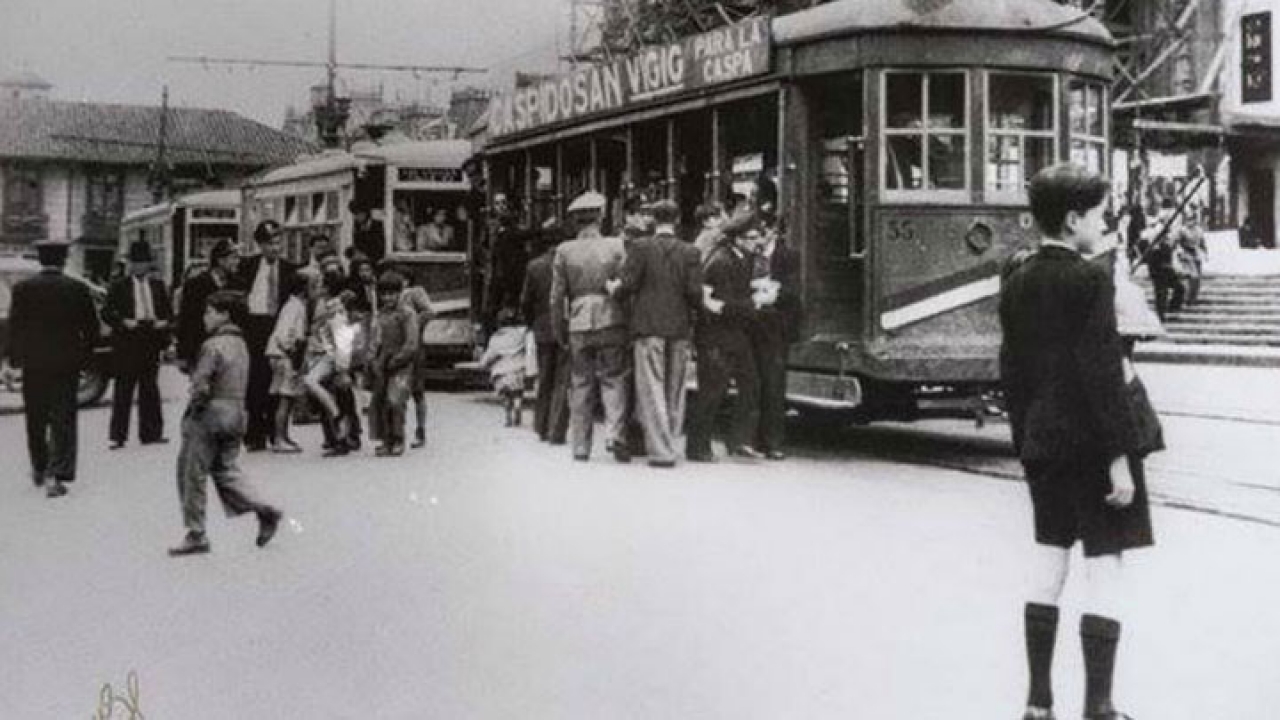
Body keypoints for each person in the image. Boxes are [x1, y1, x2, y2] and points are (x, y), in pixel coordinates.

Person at [999, 164, 1155, 720]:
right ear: (1073, 220)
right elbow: (1101, 374)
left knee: (1048, 559)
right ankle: (1100, 705)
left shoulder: (1014, 276)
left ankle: (1038, 702)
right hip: (1092, 447)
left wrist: (1027, 441)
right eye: (1099, 214)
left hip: (1042, 443)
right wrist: (1118, 458)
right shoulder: (1090, 280)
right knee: (1104, 565)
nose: (1104, 222)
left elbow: (1011, 373)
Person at [168, 290, 284, 556]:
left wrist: (195, 408)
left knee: (191, 473)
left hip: (209, 415)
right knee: (225, 470)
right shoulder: (241, 344)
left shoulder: (212, 346)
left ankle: (196, 533)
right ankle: (263, 508)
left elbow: (201, 383)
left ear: (224, 315)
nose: (205, 317)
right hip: (235, 413)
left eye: (210, 312)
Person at [606, 199, 702, 468]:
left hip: (648, 326)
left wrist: (613, 288)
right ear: (678, 219)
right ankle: (670, 442)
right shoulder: (691, 251)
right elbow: (695, 294)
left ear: (652, 220)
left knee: (652, 388)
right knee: (675, 388)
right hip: (680, 328)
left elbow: (628, 285)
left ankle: (661, 452)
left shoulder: (640, 247)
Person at [5, 238, 99, 498]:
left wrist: (13, 362)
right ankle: (57, 474)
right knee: (63, 419)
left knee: (35, 418)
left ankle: (39, 466)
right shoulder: (77, 288)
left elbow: (15, 329)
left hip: (34, 365)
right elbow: (91, 330)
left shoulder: (23, 289)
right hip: (66, 365)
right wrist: (84, 359)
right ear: (64, 259)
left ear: (39, 259)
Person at [550, 190, 631, 462]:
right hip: (611, 319)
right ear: (600, 216)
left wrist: (559, 330)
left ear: (576, 221)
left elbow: (556, 296)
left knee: (581, 383)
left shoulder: (564, 250)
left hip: (578, 322)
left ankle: (581, 446)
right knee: (614, 377)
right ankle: (614, 435)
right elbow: (624, 287)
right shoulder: (616, 246)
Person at [686, 215, 762, 462]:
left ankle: (739, 441)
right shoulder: (721, 263)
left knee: (750, 386)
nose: (756, 242)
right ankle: (697, 447)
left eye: (757, 237)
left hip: (734, 335)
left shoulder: (741, 259)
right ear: (737, 239)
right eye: (751, 238)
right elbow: (715, 305)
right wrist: (755, 302)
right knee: (712, 392)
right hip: (716, 337)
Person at [104, 239, 173, 450]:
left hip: (150, 337)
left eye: (144, 262)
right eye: (136, 262)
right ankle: (118, 436)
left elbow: (168, 312)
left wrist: (164, 324)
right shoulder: (119, 286)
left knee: (150, 387)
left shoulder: (157, 285)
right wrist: (123, 322)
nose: (140, 266)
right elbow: (106, 312)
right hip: (128, 340)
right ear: (130, 264)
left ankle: (151, 433)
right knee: (124, 388)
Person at [238, 220, 298, 451]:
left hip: (278, 326)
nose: (275, 248)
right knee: (255, 381)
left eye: (278, 242)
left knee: (278, 380)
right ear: (260, 245)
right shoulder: (247, 267)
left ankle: (277, 431)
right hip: (254, 326)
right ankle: (254, 434)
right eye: (270, 244)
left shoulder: (289, 268)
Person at [749, 215, 802, 461]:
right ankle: (750, 440)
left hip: (775, 325)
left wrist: (773, 294)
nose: (756, 240)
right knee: (752, 382)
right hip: (751, 323)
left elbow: (794, 292)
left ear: (771, 231)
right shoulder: (749, 256)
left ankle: (771, 442)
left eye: (760, 234)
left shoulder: (789, 256)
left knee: (773, 384)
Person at [521, 222, 569, 444]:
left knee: (545, 377)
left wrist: (531, 322)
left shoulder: (534, 266)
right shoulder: (569, 262)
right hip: (566, 326)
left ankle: (540, 425)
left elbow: (525, 301)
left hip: (542, 326)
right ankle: (556, 429)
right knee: (562, 379)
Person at [366, 271, 419, 456]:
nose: (387, 298)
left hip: (401, 364)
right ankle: (385, 440)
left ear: (399, 293)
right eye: (384, 294)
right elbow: (374, 340)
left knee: (395, 400)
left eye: (392, 294)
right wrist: (372, 360)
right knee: (380, 402)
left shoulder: (407, 314)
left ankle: (398, 439)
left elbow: (412, 343)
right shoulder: (380, 315)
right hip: (382, 363)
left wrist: (397, 360)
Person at [176, 239, 239, 371]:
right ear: (220, 261)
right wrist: (183, 354)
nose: (237, 262)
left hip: (231, 351)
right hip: (201, 348)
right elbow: (186, 321)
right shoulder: (195, 285)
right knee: (202, 388)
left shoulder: (239, 284)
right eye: (233, 258)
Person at [264, 273, 309, 453]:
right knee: (286, 397)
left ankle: (283, 435)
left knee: (285, 397)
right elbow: (285, 334)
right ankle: (279, 438)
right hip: (284, 355)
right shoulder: (295, 307)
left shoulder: (292, 305)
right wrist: (291, 351)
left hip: (278, 353)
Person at [397, 275, 436, 448]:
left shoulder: (415, 293)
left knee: (417, 391)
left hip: (415, 347)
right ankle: (399, 432)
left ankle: (420, 430)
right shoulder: (387, 295)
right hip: (396, 347)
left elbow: (430, 312)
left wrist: (413, 324)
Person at [479, 308, 530, 427]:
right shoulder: (521, 335)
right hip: (518, 369)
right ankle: (518, 405)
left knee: (506, 395)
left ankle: (508, 412)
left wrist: (482, 364)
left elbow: (490, 355)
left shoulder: (495, 338)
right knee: (518, 392)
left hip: (501, 373)